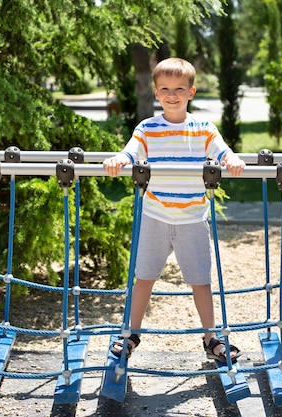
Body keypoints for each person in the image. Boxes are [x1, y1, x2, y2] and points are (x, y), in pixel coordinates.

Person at [103, 57, 246, 364]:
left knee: (200, 280)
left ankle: (211, 338)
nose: (172, 94)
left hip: (192, 218)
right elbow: (130, 151)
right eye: (165, 88)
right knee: (143, 277)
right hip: (155, 216)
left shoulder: (203, 128)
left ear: (191, 92)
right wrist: (119, 160)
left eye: (179, 88)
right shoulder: (148, 128)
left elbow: (222, 150)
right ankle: (130, 334)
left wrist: (231, 160)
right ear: (156, 93)